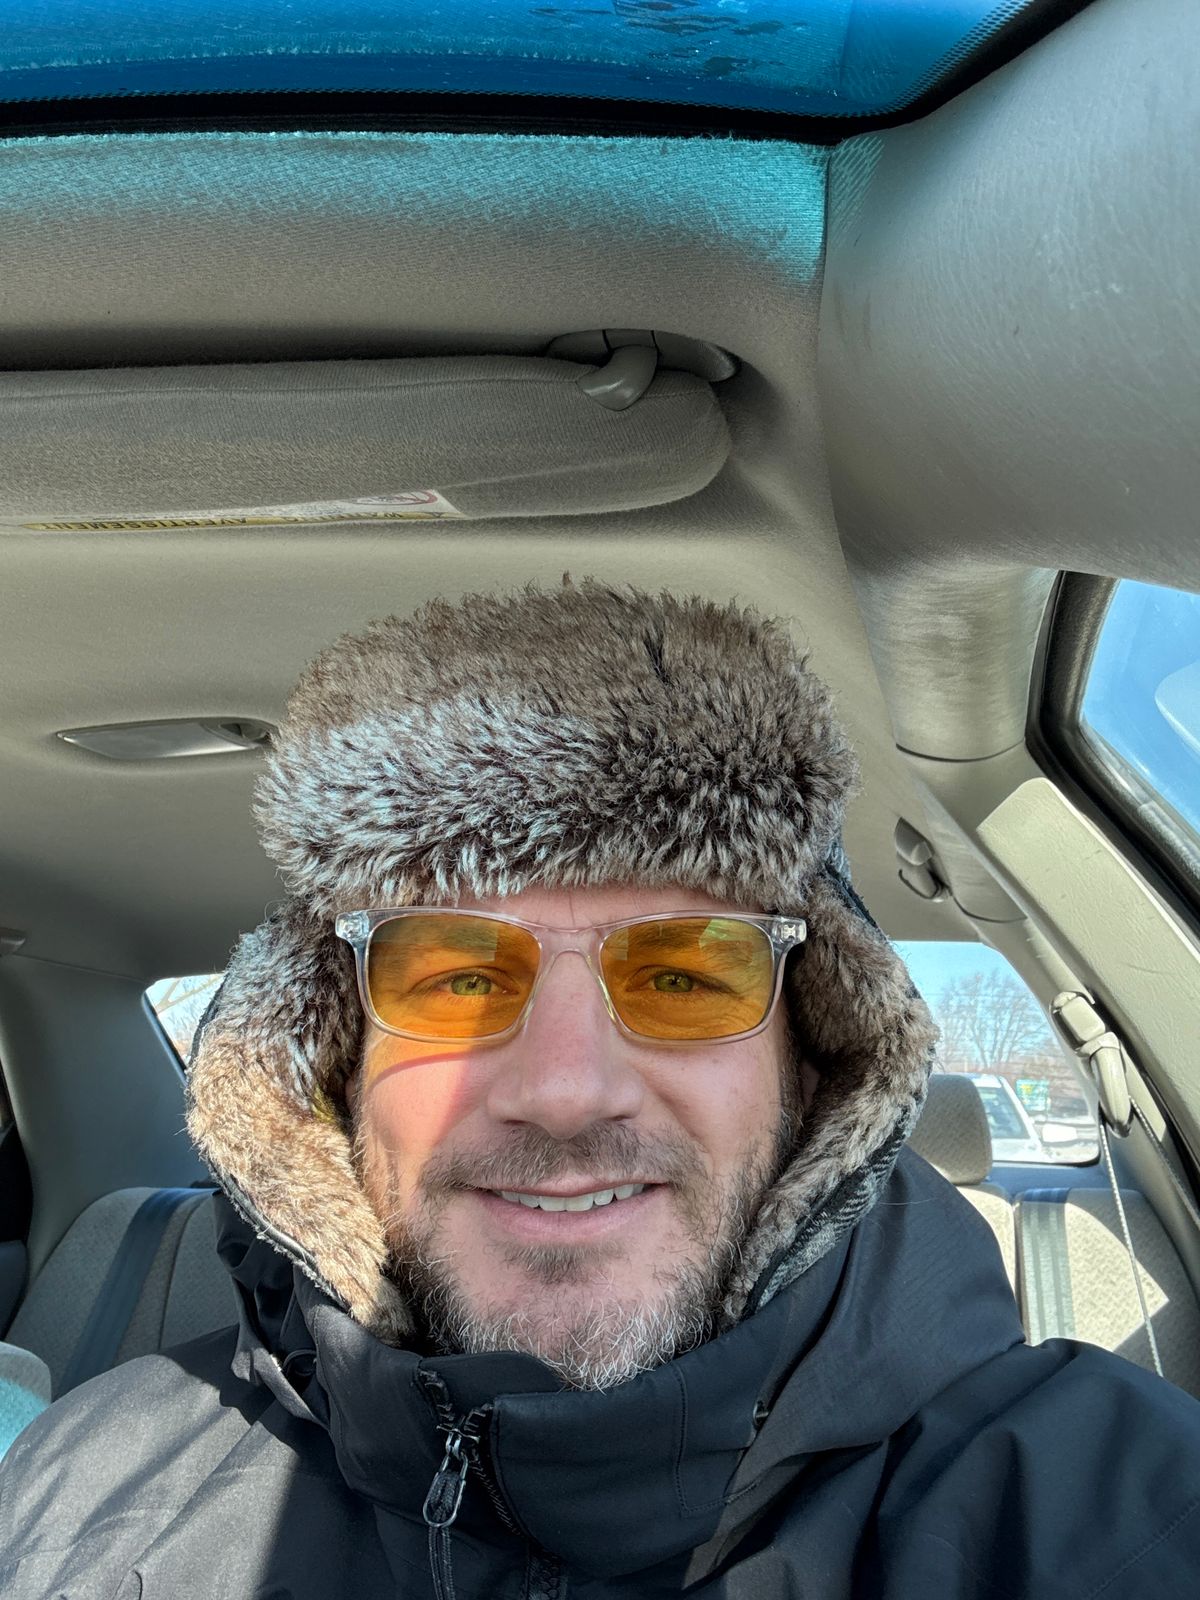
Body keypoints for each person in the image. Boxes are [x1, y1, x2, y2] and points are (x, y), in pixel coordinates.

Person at [2, 580, 1199, 1599]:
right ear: (330, 1059)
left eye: (683, 974)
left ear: (816, 1062)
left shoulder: (1112, 1510)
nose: (566, 1090)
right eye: (457, 977)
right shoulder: (86, 1498)